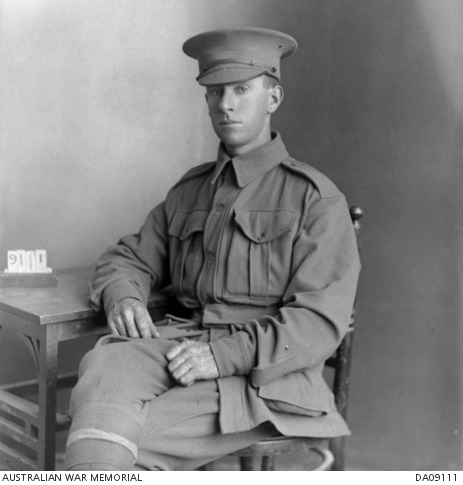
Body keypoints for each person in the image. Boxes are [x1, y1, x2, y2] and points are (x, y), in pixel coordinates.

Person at [65, 27, 361, 471]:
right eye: (215, 91)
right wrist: (123, 295)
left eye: (241, 89)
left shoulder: (314, 199)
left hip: (263, 379)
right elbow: (128, 257)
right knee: (105, 365)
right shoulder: (190, 191)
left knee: (119, 441)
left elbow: (317, 324)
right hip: (182, 350)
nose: (226, 104)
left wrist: (220, 357)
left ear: (273, 98)